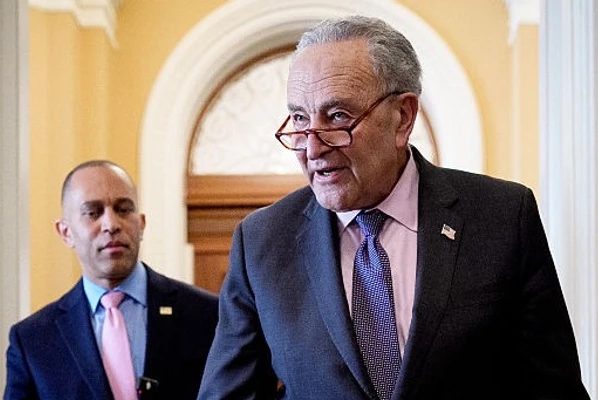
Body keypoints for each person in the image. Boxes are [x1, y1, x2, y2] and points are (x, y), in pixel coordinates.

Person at [198, 15, 589, 400]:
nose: (312, 148)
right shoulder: (263, 242)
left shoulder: (501, 217)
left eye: (337, 116)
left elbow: (554, 391)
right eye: (300, 118)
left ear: (403, 117)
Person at [4, 160, 218, 400]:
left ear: (141, 224)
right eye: (93, 213)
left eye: (123, 210)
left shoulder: (207, 315)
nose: (111, 224)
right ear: (66, 232)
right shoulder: (33, 341)